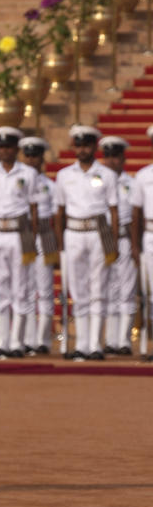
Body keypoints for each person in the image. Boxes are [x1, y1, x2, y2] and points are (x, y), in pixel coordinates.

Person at [54, 125, 118, 361]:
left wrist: (112, 243)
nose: (83, 149)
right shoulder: (63, 176)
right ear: (74, 147)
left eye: (87, 145)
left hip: (98, 232)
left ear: (94, 147)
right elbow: (59, 212)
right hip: (74, 232)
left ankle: (95, 345)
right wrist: (60, 244)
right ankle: (81, 344)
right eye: (79, 145)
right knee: (78, 291)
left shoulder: (107, 175)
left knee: (98, 289)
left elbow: (113, 211)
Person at [0, 127, 38, 359]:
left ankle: (17, 341)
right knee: (0, 287)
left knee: (21, 288)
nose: (5, 150)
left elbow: (34, 209)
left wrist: (31, 240)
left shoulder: (28, 174)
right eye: (1, 147)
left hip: (19, 232)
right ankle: (2, 341)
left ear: (16, 149)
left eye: (9, 147)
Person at [20, 136, 58, 354]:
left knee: (44, 289)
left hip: (44, 234)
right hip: (22, 232)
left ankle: (43, 339)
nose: (31, 160)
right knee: (24, 288)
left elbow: (56, 214)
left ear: (42, 158)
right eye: (28, 155)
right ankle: (26, 337)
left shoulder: (49, 186)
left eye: (35, 156)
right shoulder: (18, 181)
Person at [99, 136, 136, 355]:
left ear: (123, 158)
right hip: (102, 239)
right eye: (108, 156)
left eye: (116, 156)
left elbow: (136, 216)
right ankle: (111, 339)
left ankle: (124, 340)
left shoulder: (132, 183)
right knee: (108, 289)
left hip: (124, 238)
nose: (112, 161)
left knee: (127, 290)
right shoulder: (98, 181)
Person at [130, 124, 153, 362]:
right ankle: (149, 346)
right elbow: (135, 214)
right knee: (151, 293)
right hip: (150, 234)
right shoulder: (143, 176)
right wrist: (135, 246)